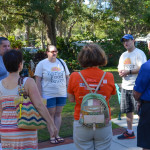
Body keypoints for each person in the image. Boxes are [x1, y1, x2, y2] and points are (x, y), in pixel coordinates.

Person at [0, 49, 57, 149]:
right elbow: (39, 105)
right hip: (24, 128)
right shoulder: (27, 82)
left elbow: (1, 111)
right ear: (20, 64)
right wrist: (51, 123)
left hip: (5, 130)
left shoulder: (0, 84)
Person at [67, 44, 116, 150]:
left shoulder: (75, 76)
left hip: (82, 121)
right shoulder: (109, 76)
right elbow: (108, 98)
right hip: (103, 121)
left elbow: (71, 99)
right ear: (101, 57)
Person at [34, 45, 70, 144]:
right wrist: (40, 96)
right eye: (52, 51)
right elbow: (38, 80)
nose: (54, 53)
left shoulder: (61, 62)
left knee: (58, 114)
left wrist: (67, 87)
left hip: (61, 93)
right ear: (47, 53)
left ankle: (57, 134)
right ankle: (52, 136)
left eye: (55, 51)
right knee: (51, 115)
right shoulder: (42, 64)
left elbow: (67, 76)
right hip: (48, 94)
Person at [117, 34, 147, 140]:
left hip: (136, 88)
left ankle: (144, 132)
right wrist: (121, 72)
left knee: (141, 112)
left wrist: (129, 71)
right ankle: (130, 132)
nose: (126, 43)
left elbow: (144, 68)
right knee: (128, 110)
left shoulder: (139, 53)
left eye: (128, 40)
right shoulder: (123, 55)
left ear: (133, 41)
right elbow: (120, 68)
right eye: (124, 41)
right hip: (125, 86)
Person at [133, 40, 150, 150]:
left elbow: (136, 92)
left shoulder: (147, 67)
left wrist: (138, 101)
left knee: (147, 142)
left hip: (148, 108)